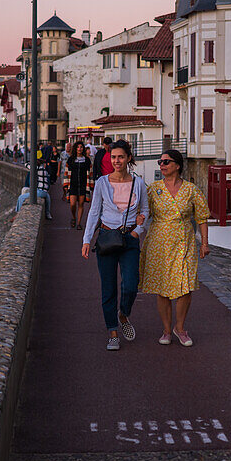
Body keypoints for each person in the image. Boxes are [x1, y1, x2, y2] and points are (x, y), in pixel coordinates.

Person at [82, 140, 148, 351]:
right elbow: (94, 212)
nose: (116, 161)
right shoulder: (102, 182)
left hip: (129, 239)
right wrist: (86, 239)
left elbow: (145, 211)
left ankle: (123, 314)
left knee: (131, 284)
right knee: (108, 288)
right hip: (107, 238)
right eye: (113, 157)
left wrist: (138, 231)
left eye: (120, 157)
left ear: (129, 158)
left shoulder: (138, 183)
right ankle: (112, 332)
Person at [139, 149, 210, 347]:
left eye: (166, 162)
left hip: (184, 240)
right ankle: (166, 330)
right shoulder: (153, 189)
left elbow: (202, 218)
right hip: (159, 241)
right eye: (160, 162)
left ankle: (180, 328)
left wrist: (204, 243)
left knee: (185, 285)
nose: (162, 165)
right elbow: (144, 213)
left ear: (177, 166)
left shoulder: (191, 189)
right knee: (163, 288)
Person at [66, 141, 92, 229]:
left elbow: (90, 172)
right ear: (75, 149)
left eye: (81, 147)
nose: (79, 149)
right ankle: (73, 217)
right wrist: (65, 184)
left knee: (81, 204)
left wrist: (91, 184)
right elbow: (67, 172)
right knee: (72, 204)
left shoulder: (87, 160)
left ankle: (79, 223)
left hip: (83, 184)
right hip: (73, 184)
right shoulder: (71, 159)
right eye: (78, 147)